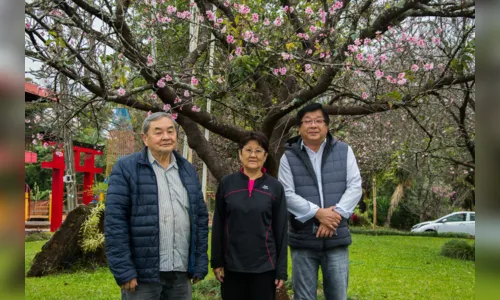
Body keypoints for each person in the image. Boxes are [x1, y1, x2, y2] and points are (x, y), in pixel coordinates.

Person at [104, 112, 209, 300]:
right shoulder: (126, 168)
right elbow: (115, 222)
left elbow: (200, 219)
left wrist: (199, 263)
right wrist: (124, 270)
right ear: (145, 138)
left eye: (170, 131)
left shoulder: (187, 169)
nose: (166, 137)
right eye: (158, 132)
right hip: (143, 274)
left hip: (180, 271)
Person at [278, 103, 362, 300]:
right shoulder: (288, 157)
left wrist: (336, 215)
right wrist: (319, 213)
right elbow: (287, 194)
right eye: (307, 121)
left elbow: (355, 186)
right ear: (299, 127)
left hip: (336, 238)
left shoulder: (344, 151)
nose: (313, 125)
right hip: (303, 240)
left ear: (327, 126)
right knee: (304, 296)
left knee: (337, 296)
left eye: (318, 121)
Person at [211, 132, 288, 300]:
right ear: (240, 153)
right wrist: (217, 262)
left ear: (266, 155)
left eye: (259, 151)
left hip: (265, 267)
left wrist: (281, 269)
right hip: (232, 267)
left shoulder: (275, 187)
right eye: (248, 150)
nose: (253, 155)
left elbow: (281, 230)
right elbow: (218, 225)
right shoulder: (227, 184)